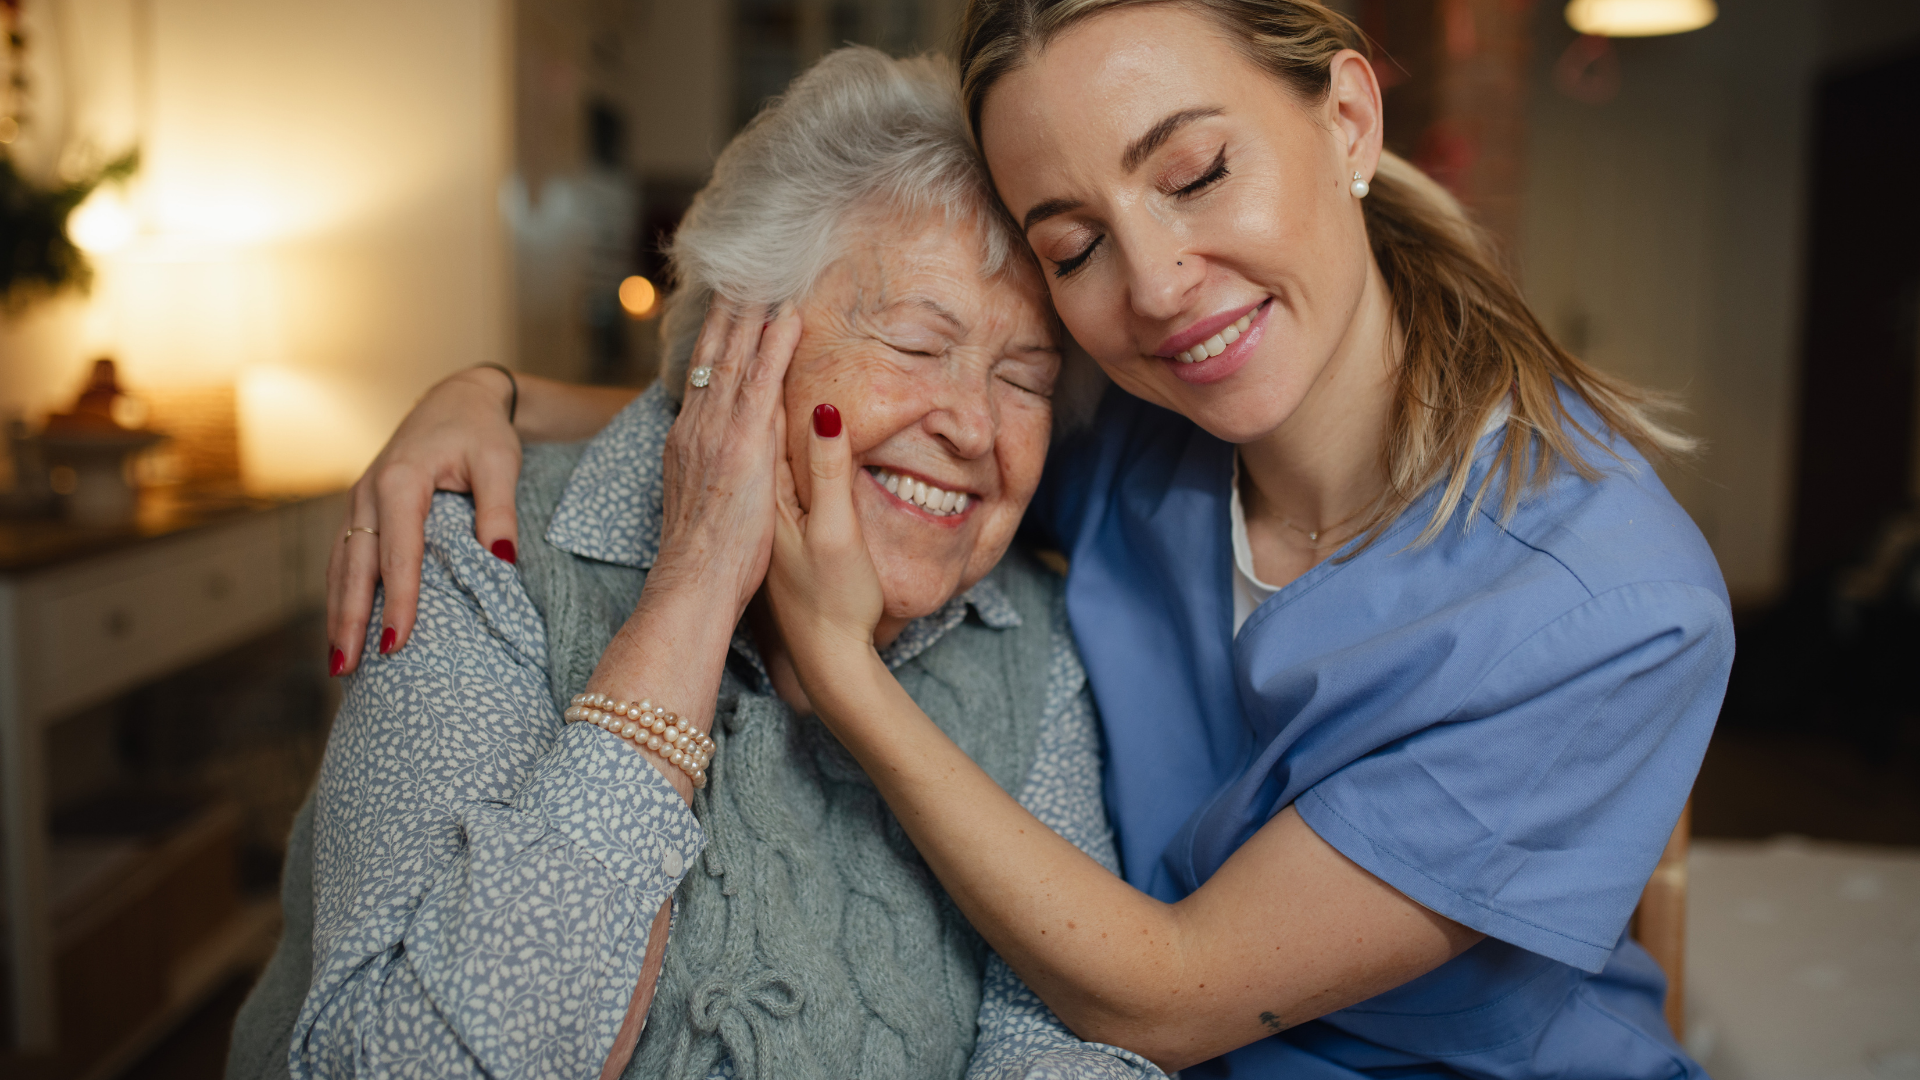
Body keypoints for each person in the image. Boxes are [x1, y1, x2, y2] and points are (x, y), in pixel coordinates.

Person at [329, 3, 1734, 1077]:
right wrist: (493, 396)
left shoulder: (1613, 604)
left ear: (1351, 119)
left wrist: (845, 669)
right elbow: (842, 413)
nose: (1161, 285)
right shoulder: (1144, 417)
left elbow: (1167, 991)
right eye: (1073, 245)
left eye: (1195, 172)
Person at [231, 48, 1162, 1080]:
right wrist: (696, 588)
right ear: (740, 336)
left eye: (1025, 381)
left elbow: (1073, 1043)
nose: (975, 426)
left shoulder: (1026, 635)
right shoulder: (483, 557)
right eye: (913, 343)